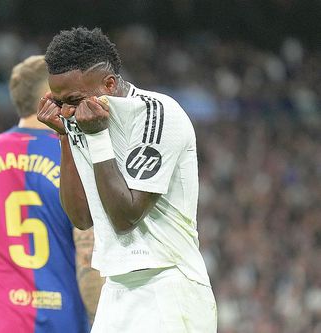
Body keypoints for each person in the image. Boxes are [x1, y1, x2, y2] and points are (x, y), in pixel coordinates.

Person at [37, 27, 217, 332]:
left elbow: (125, 216)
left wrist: (95, 137)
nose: (67, 110)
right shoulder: (81, 119)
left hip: (169, 285)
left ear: (108, 83)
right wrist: (64, 137)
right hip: (117, 288)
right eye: (59, 101)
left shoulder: (157, 115)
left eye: (74, 99)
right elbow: (81, 217)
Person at [0, 55, 91, 332]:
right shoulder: (74, 156)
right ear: (50, 95)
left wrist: (6, 281)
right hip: (64, 318)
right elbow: (89, 252)